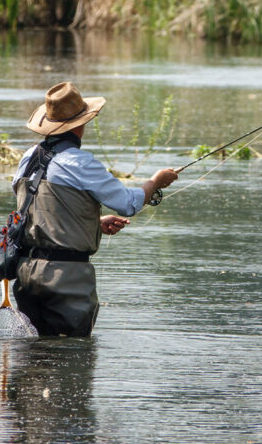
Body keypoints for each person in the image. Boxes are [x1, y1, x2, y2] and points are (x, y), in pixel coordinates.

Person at [12, 81, 178, 337]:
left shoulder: (29, 156)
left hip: (25, 271)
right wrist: (155, 182)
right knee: (71, 361)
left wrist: (89, 222)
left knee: (34, 357)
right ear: (80, 124)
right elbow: (128, 203)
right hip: (65, 276)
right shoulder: (79, 162)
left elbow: (34, 207)